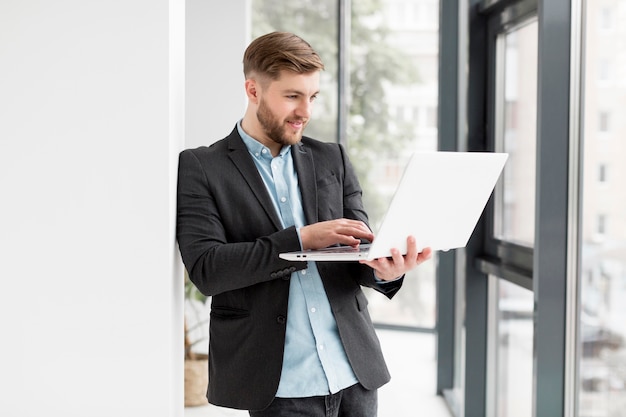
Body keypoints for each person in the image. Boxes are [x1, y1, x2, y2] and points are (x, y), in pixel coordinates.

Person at [176, 31, 432, 417]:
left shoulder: (333, 159)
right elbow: (208, 270)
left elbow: (357, 252)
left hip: (354, 376)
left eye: (312, 97)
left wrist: (385, 270)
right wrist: (301, 240)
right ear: (253, 90)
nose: (305, 111)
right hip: (279, 385)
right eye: (292, 96)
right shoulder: (202, 167)